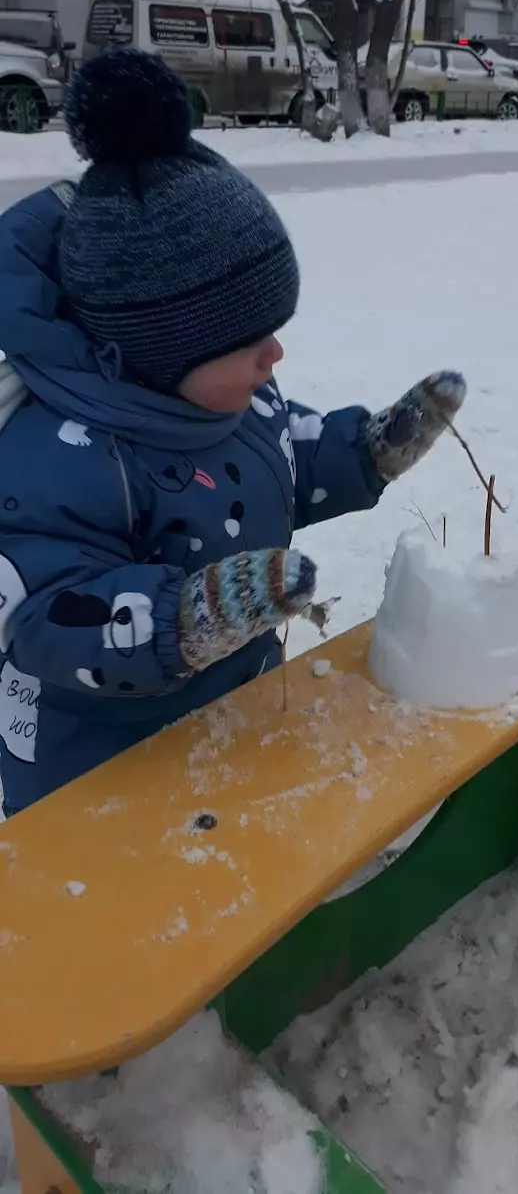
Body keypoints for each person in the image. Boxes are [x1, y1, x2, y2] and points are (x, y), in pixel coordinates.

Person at [0, 49, 466, 817]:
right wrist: (190, 618)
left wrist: (366, 448)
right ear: (152, 352)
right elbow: (48, 613)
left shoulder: (228, 399)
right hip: (91, 772)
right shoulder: (55, 462)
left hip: (226, 711)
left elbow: (282, 456)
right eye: (248, 342)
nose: (274, 356)